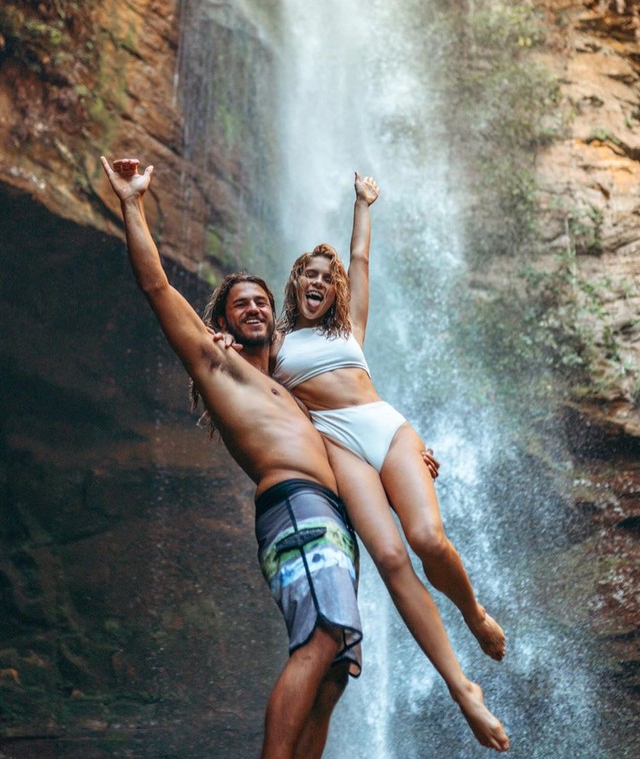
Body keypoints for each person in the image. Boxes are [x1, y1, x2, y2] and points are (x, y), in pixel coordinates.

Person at [101, 156, 363, 759]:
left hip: (335, 520)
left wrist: (414, 456)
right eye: (239, 304)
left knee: (332, 677)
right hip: (296, 508)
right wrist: (132, 202)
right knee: (321, 637)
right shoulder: (219, 370)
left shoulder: (298, 388)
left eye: (263, 303)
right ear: (220, 320)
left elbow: (361, 418)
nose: (254, 309)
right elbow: (157, 288)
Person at [270, 172, 510, 752]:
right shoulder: (273, 347)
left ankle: (473, 611)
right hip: (341, 447)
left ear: (336, 291)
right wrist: (223, 342)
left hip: (388, 429)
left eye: (328, 279)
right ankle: (463, 690)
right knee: (389, 556)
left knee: (428, 539)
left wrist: (362, 203)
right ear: (295, 280)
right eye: (311, 273)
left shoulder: (350, 327)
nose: (320, 281)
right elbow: (231, 374)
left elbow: (360, 257)